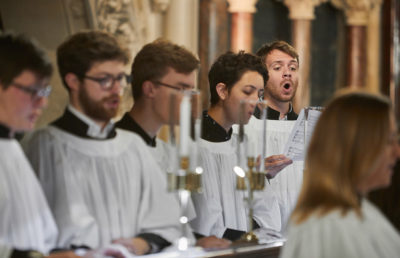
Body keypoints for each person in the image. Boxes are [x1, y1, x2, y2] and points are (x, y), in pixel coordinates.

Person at [23, 31, 181, 255]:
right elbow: (24, 235)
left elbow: (168, 222)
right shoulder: (43, 145)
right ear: (73, 81)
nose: (116, 89)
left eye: (120, 79)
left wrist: (140, 244)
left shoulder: (133, 146)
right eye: (105, 79)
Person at [115, 39, 231, 249]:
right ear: (150, 89)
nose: (189, 100)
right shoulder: (112, 147)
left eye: (191, 91)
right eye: (181, 89)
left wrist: (197, 241)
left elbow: (175, 224)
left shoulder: (168, 152)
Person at [280, 91, 400, 257]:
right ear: (358, 147)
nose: (397, 152)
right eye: (389, 141)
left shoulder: (359, 213)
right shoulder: (328, 226)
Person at [189, 51, 281, 241]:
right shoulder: (192, 144)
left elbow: (266, 212)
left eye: (260, 93)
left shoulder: (245, 146)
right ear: (222, 91)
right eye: (248, 92)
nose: (256, 100)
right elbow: (203, 224)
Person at [0, 33, 78, 258]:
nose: (43, 103)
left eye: (45, 91)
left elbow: (36, 236)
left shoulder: (11, 146)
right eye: (32, 91)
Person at [241, 41, 303, 234]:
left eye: (293, 67)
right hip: (259, 236)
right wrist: (259, 174)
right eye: (277, 67)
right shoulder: (244, 127)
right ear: (261, 77)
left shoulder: (308, 128)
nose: (287, 73)